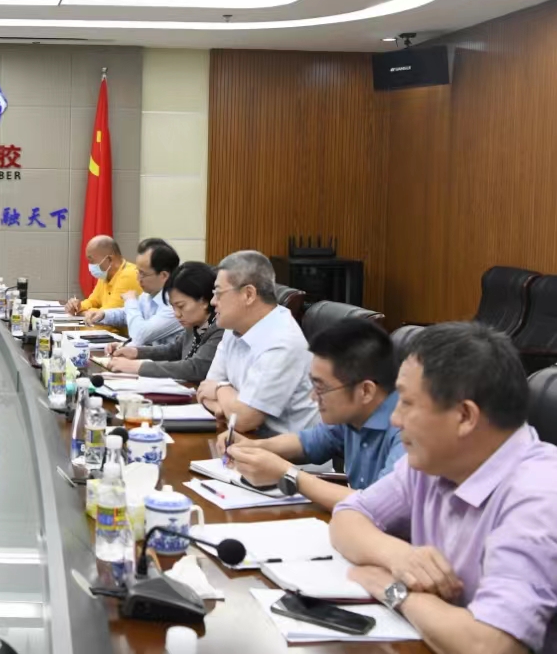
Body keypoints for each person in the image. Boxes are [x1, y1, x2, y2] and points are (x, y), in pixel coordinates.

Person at [331, 322, 557, 654]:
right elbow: (348, 517)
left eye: (407, 403)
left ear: (464, 416)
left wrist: (394, 590)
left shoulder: (538, 498)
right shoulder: (434, 462)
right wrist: (398, 556)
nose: (395, 419)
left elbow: (491, 645)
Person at [221, 318, 403, 509]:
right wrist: (253, 447)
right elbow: (309, 442)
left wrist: (289, 475)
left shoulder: (408, 431)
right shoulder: (355, 414)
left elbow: (377, 505)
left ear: (365, 391)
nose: (313, 397)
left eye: (321, 388)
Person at [195, 250, 319, 436]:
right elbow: (205, 389)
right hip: (244, 439)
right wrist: (225, 408)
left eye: (219, 293)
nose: (213, 301)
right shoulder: (234, 326)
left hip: (286, 451)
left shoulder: (282, 342)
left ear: (248, 294)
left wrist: (220, 389)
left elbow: (244, 420)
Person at [105, 261, 224, 382]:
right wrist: (136, 352)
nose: (177, 314)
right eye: (173, 307)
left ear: (204, 301)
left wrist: (137, 367)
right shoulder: (194, 323)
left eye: (181, 306)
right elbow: (174, 350)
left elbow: (196, 368)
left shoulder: (220, 327)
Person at [93, 238, 184, 347]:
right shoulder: (149, 294)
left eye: (143, 274)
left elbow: (140, 335)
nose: (138, 278)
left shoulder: (176, 304)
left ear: (164, 275)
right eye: (138, 271)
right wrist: (104, 315)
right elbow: (130, 314)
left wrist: (130, 301)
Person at [63, 236, 144, 332]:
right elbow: (93, 301)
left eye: (91, 261)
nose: (90, 266)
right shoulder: (106, 274)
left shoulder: (129, 275)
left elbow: (104, 318)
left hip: (123, 338)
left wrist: (81, 313)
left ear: (109, 259)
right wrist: (77, 307)